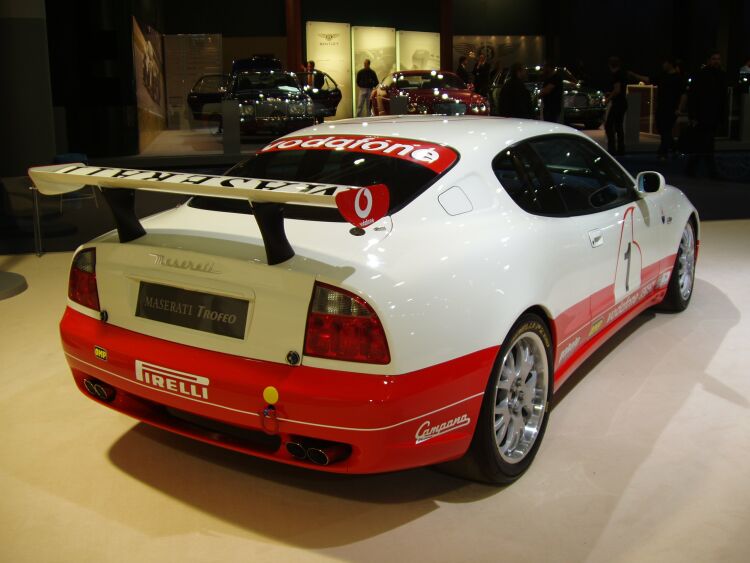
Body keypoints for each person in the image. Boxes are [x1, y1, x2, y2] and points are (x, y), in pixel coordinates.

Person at [686, 51, 728, 178]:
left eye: (718, 59)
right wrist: (693, 116)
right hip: (703, 115)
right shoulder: (702, 75)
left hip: (711, 115)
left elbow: (722, 98)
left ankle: (694, 168)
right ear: (709, 60)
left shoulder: (720, 75)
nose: (716, 61)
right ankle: (707, 170)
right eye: (714, 59)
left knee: (704, 143)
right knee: (705, 142)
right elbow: (693, 96)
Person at [655, 58, 686, 159]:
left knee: (665, 130)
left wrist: (679, 108)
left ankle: (663, 153)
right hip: (661, 108)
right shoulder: (663, 76)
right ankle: (674, 147)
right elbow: (649, 79)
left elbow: (683, 94)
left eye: (665, 63)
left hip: (671, 109)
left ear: (669, 64)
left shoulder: (678, 78)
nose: (663, 65)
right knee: (662, 129)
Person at [604, 56, 629, 155]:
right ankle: (621, 149)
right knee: (618, 126)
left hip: (618, 103)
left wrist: (608, 99)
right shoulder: (622, 74)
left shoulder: (616, 75)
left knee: (609, 125)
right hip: (623, 102)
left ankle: (612, 149)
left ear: (610, 65)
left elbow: (617, 90)